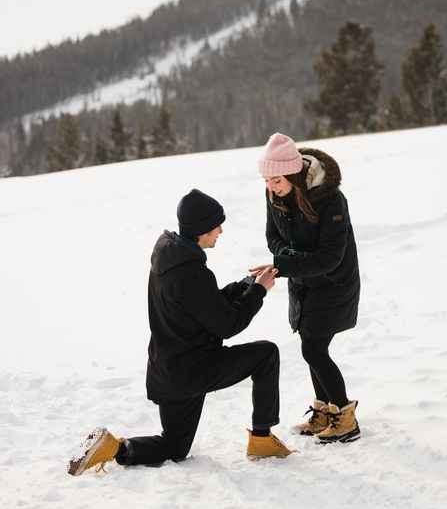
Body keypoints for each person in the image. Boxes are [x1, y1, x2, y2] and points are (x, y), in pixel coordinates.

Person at [68, 188, 296, 476]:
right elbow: (228, 324)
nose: (221, 231)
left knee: (175, 445)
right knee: (266, 354)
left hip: (169, 370)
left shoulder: (169, 259)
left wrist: (244, 285)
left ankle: (114, 448)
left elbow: (202, 306)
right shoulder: (192, 273)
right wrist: (259, 291)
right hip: (194, 369)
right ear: (202, 230)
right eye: (216, 226)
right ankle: (262, 440)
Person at [250, 133, 361, 443]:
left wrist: (286, 263)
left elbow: (330, 257)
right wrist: (289, 259)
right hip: (303, 281)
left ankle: (345, 418)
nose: (271, 185)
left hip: (334, 283)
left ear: (293, 172)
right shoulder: (274, 195)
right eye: (267, 178)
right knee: (311, 346)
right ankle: (326, 411)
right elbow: (273, 237)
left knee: (313, 348)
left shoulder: (330, 199)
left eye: (276, 178)